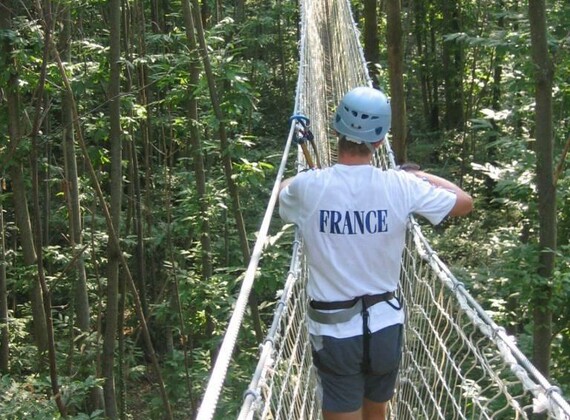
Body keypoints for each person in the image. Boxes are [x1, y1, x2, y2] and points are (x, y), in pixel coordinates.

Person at [278, 86, 473, 420]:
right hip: (385, 326)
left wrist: (306, 178)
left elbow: (282, 194)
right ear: (380, 141)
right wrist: (418, 175)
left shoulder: (308, 187)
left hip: (335, 333)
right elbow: (465, 202)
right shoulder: (401, 185)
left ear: (337, 131)